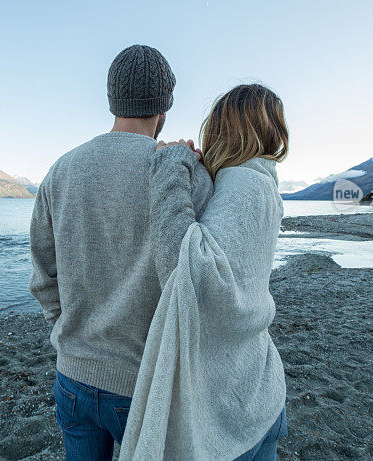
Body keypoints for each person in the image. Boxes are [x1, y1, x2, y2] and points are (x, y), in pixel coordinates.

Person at [28, 45, 213, 460]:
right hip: (144, 387)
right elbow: (198, 280)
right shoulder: (183, 175)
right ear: (164, 107)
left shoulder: (61, 170)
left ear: (112, 100)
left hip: (71, 376)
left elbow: (43, 276)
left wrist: (68, 334)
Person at [119, 84, 290, 461]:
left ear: (223, 128)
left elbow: (187, 271)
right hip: (256, 388)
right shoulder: (262, 180)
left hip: (232, 410)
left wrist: (170, 167)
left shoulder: (243, 184)